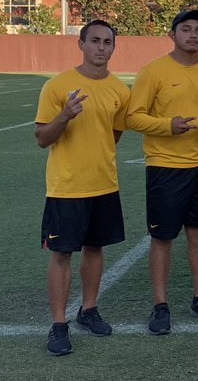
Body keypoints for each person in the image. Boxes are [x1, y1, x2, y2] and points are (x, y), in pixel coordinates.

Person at [126, 9, 198, 335]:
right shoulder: (153, 71)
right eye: (186, 29)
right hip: (165, 167)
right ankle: (160, 305)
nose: (194, 35)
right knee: (163, 238)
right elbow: (133, 117)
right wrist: (167, 125)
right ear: (172, 34)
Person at [35, 20, 130, 356]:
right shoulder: (58, 86)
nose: (101, 47)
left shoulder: (120, 90)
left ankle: (88, 310)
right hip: (66, 187)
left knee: (95, 249)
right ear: (81, 44)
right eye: (94, 41)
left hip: (104, 184)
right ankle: (58, 324)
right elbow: (42, 139)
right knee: (61, 254)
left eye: (107, 42)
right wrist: (64, 116)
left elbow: (114, 135)